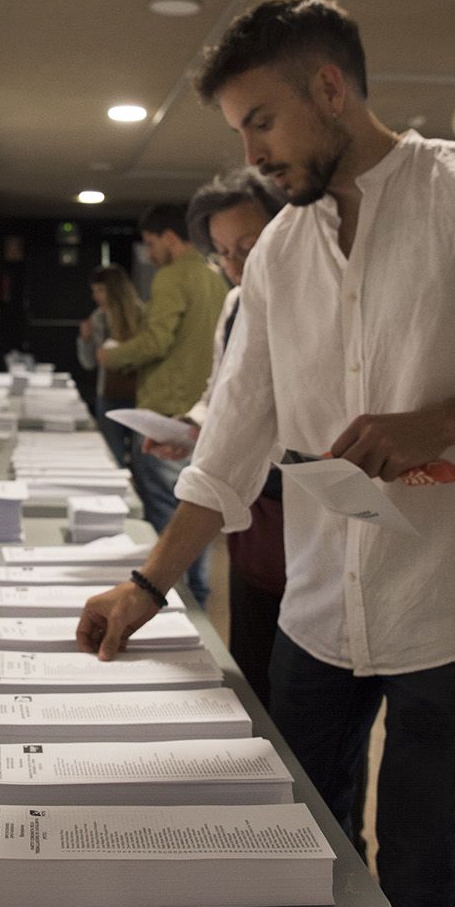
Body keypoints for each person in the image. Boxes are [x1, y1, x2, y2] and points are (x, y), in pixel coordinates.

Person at [75, 0, 455, 907]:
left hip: (453, 602)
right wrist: (145, 584)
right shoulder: (283, 251)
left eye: (263, 120)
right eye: (242, 129)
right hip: (321, 600)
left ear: (329, 88)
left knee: (420, 863)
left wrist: (444, 420)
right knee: (304, 836)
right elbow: (234, 440)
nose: (252, 153)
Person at [149, 167, 288, 703]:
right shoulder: (234, 306)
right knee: (254, 656)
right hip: (255, 506)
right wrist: (192, 429)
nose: (236, 266)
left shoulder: (324, 306)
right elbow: (223, 396)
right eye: (224, 253)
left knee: (308, 693)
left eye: (249, 247)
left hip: (315, 511)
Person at [97, 204, 229, 606]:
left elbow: (157, 341)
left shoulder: (173, 275)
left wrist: (112, 356)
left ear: (170, 238)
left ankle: (171, 605)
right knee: (195, 514)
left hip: (165, 417)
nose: (150, 254)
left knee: (165, 523)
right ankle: (197, 598)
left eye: (152, 244)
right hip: (201, 417)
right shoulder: (217, 278)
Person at [76, 264, 143, 466]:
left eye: (101, 290)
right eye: (94, 291)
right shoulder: (98, 318)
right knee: (113, 456)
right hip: (108, 394)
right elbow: (88, 363)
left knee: (142, 458)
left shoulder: (142, 314)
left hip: (140, 394)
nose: (97, 296)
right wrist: (85, 340)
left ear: (115, 290)